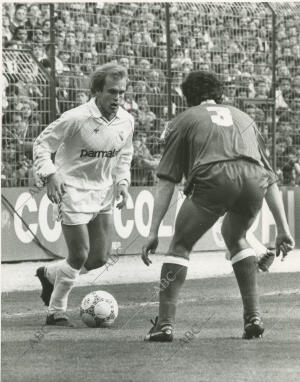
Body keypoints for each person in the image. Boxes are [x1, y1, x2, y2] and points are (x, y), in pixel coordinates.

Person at [141, 71, 294, 342]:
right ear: (220, 94)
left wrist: (152, 231)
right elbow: (269, 178)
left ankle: (164, 325)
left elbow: (166, 181)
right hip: (252, 180)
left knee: (180, 246)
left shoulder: (184, 120)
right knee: (235, 237)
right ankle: (253, 317)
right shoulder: (245, 118)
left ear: (187, 98)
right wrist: (283, 228)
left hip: (214, 177)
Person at [33, 63, 134, 326]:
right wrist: (50, 174)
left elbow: (125, 154)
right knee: (79, 255)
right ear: (97, 91)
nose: (117, 98)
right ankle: (56, 311)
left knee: (98, 258)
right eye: (112, 92)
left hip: (102, 193)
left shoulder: (126, 120)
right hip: (72, 190)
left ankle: (50, 273)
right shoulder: (75, 118)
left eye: (122, 92)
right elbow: (42, 144)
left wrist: (122, 182)